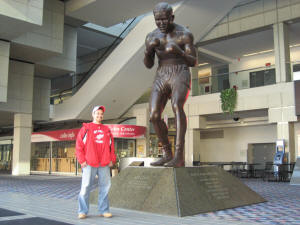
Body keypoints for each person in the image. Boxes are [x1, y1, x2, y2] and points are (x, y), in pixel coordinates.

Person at [144, 2, 197, 167]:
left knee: (177, 106)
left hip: (180, 71)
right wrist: (148, 51)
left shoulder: (184, 34)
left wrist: (179, 52)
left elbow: (193, 61)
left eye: (164, 20)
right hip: (161, 74)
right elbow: (148, 64)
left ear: (171, 17)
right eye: (157, 20)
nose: (160, 24)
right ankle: (167, 153)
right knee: (153, 115)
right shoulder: (151, 36)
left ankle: (179, 156)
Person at [76, 105, 116, 219]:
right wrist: (82, 160)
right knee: (85, 187)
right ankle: (82, 211)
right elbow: (79, 145)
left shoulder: (106, 130)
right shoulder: (86, 128)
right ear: (93, 114)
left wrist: (111, 159)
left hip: (104, 163)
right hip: (89, 162)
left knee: (105, 187)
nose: (99, 115)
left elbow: (111, 146)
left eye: (101, 114)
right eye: (97, 113)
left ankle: (104, 210)